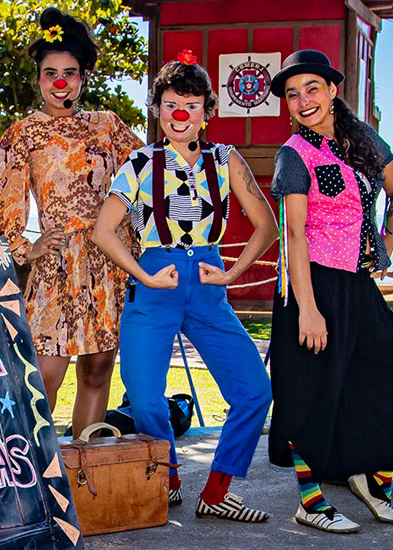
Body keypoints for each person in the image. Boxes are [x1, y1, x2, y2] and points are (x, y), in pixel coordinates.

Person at [93, 52, 276, 522]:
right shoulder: (138, 162)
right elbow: (103, 230)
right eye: (171, 103)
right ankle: (167, 479)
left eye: (191, 105)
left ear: (206, 112)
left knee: (254, 389)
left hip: (208, 283)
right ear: (156, 108)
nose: (180, 114)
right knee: (144, 394)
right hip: (154, 282)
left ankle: (217, 492)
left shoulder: (225, 159)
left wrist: (232, 274)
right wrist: (145, 274)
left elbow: (266, 226)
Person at [267, 49, 393, 533]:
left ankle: (372, 479)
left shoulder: (365, 142)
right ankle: (311, 502)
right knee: (308, 395)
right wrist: (308, 310)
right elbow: (294, 232)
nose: (302, 100)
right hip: (311, 283)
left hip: (357, 285)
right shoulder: (293, 154)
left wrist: (386, 244)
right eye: (293, 95)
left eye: (311, 88)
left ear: (333, 90)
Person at [0, 8, 143, 438]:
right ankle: (33, 474)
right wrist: (25, 246)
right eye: (50, 73)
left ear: (83, 77)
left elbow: (149, 179)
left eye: (70, 72)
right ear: (39, 78)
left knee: (98, 370)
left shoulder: (108, 127)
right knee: (44, 376)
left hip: (107, 260)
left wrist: (138, 243)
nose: (59, 82)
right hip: (57, 263)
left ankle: (83, 474)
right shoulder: (24, 133)